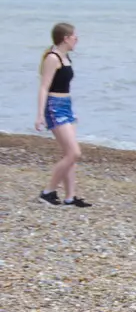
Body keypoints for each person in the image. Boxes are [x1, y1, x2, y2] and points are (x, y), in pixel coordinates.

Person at [34, 22, 90, 208]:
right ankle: (47, 192)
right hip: (54, 107)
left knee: (69, 154)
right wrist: (40, 114)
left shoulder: (66, 58)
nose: (77, 39)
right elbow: (44, 87)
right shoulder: (53, 58)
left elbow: (64, 86)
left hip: (66, 106)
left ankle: (70, 197)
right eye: (74, 36)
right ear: (65, 38)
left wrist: (72, 111)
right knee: (74, 153)